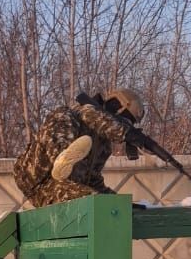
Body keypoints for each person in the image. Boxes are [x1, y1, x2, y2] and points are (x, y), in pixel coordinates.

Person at [12, 87, 146, 207]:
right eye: (125, 120)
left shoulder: (103, 145)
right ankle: (62, 159)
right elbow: (87, 114)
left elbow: (93, 180)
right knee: (97, 203)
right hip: (40, 182)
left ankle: (64, 164)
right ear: (116, 107)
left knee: (105, 203)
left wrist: (120, 203)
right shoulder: (75, 115)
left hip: (66, 185)